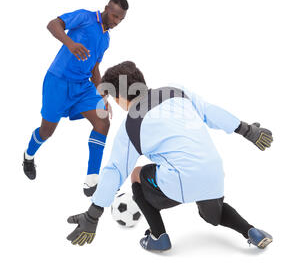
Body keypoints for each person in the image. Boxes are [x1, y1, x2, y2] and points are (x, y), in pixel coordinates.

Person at [66, 61, 274, 251]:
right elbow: (210, 112)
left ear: (119, 97)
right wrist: (247, 130)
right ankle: (251, 231)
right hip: (214, 172)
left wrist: (92, 216)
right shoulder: (176, 91)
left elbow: (115, 171)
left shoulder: (131, 125)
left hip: (180, 183)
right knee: (212, 215)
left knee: (137, 173)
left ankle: (158, 236)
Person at [23, 0, 128, 196]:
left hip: (82, 86)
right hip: (58, 82)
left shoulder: (106, 39)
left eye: (120, 20)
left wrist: (103, 97)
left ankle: (92, 180)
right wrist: (70, 43)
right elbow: (52, 24)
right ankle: (28, 156)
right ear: (106, 8)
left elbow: (95, 67)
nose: (116, 22)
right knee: (46, 131)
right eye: (114, 16)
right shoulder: (85, 17)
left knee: (103, 120)